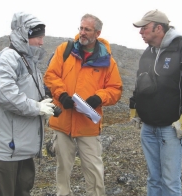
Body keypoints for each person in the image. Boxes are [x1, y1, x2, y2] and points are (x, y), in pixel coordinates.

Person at [44, 14, 123, 196]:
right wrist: (62, 94)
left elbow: (115, 89)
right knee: (62, 168)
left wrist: (99, 98)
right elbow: (51, 75)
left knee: (94, 170)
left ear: (97, 33)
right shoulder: (65, 50)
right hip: (63, 121)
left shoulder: (107, 61)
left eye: (87, 29)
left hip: (88, 124)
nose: (82, 33)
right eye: (81, 28)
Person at [129, 9, 182, 196]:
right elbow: (141, 82)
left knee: (170, 182)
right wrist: (135, 108)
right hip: (148, 128)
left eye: (144, 28)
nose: (140, 32)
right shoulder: (147, 53)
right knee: (153, 179)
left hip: (171, 129)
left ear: (158, 28)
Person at [0, 12, 55, 196]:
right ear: (24, 34)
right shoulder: (8, 57)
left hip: (22, 147)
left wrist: (42, 105)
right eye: (38, 37)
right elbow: (2, 93)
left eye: (42, 37)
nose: (41, 42)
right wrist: (37, 108)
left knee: (23, 190)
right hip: (6, 147)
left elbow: (26, 95)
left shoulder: (30, 62)